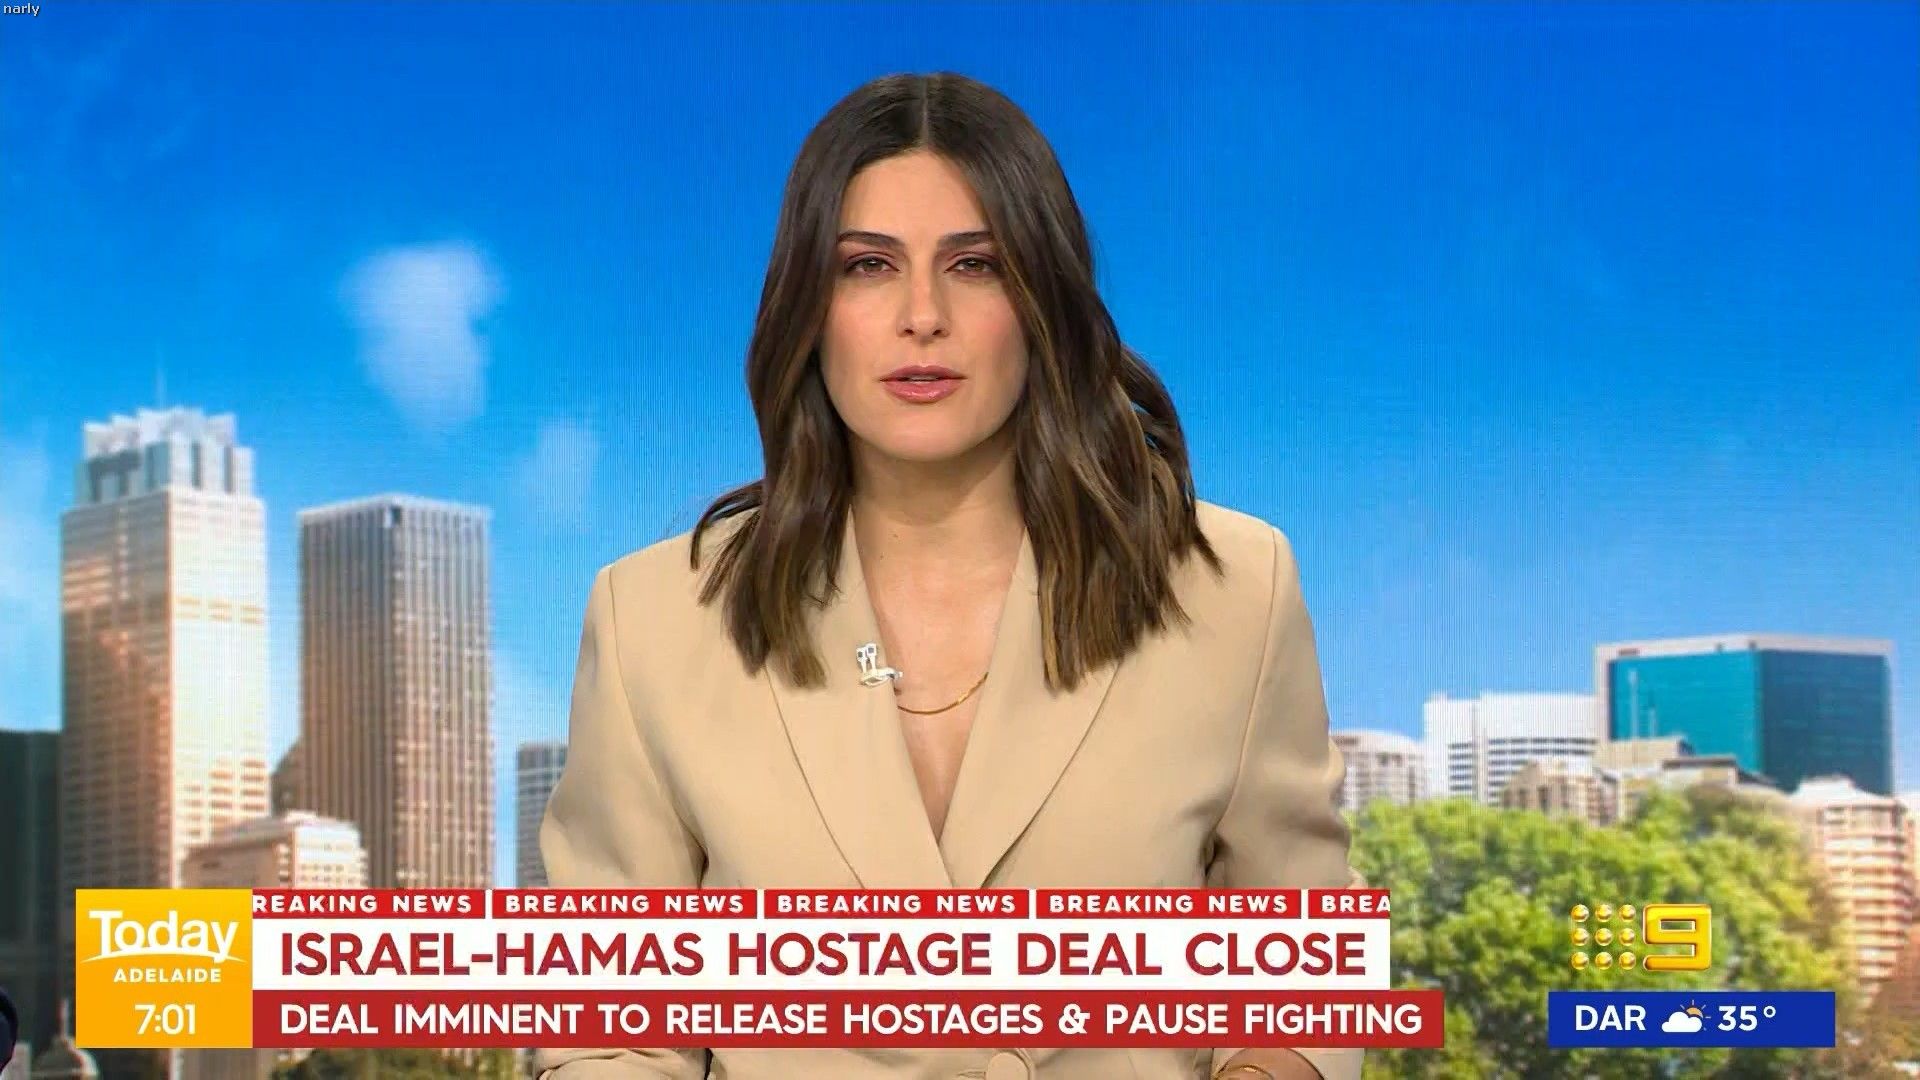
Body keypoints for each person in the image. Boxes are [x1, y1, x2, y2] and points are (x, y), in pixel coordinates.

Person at [537, 71, 1359, 1080]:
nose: (921, 315)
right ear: (808, 307)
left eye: (975, 265)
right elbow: (615, 1035)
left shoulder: (1233, 590)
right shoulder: (653, 620)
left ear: (1041, 300)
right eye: (868, 266)